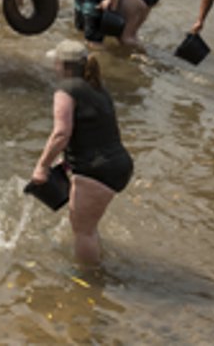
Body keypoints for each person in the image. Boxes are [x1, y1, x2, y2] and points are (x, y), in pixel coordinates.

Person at [31, 39, 133, 266]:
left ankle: (88, 281)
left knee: (83, 231)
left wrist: (42, 166)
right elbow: (94, 129)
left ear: (62, 65)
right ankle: (95, 258)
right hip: (117, 164)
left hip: (96, 170)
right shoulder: (97, 87)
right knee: (88, 226)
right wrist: (67, 161)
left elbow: (61, 133)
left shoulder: (65, 90)